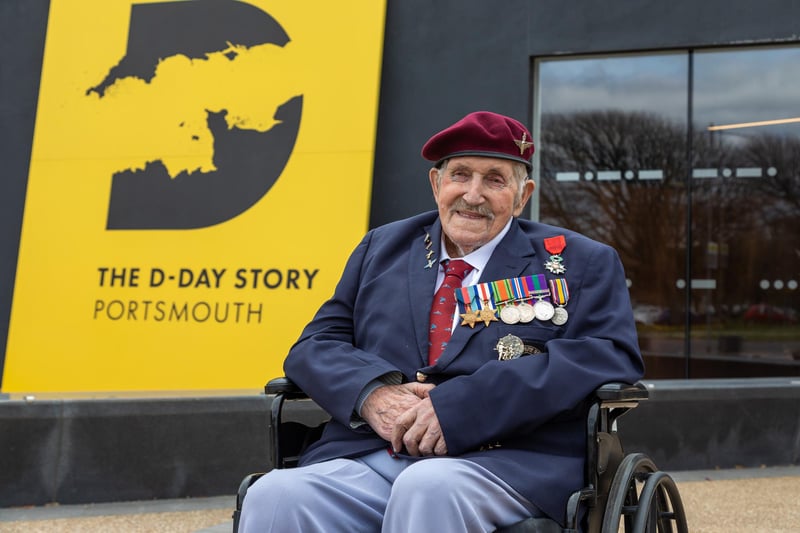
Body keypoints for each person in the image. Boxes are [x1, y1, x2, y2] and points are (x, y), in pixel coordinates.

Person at [239, 111, 644, 532]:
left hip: (509, 460)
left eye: (495, 179)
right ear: (437, 184)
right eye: (460, 175)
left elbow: (608, 355)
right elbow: (315, 345)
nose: (473, 195)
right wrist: (372, 394)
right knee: (274, 495)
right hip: (376, 453)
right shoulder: (382, 248)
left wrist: (463, 408)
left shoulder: (581, 261)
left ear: (522, 196)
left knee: (428, 486)